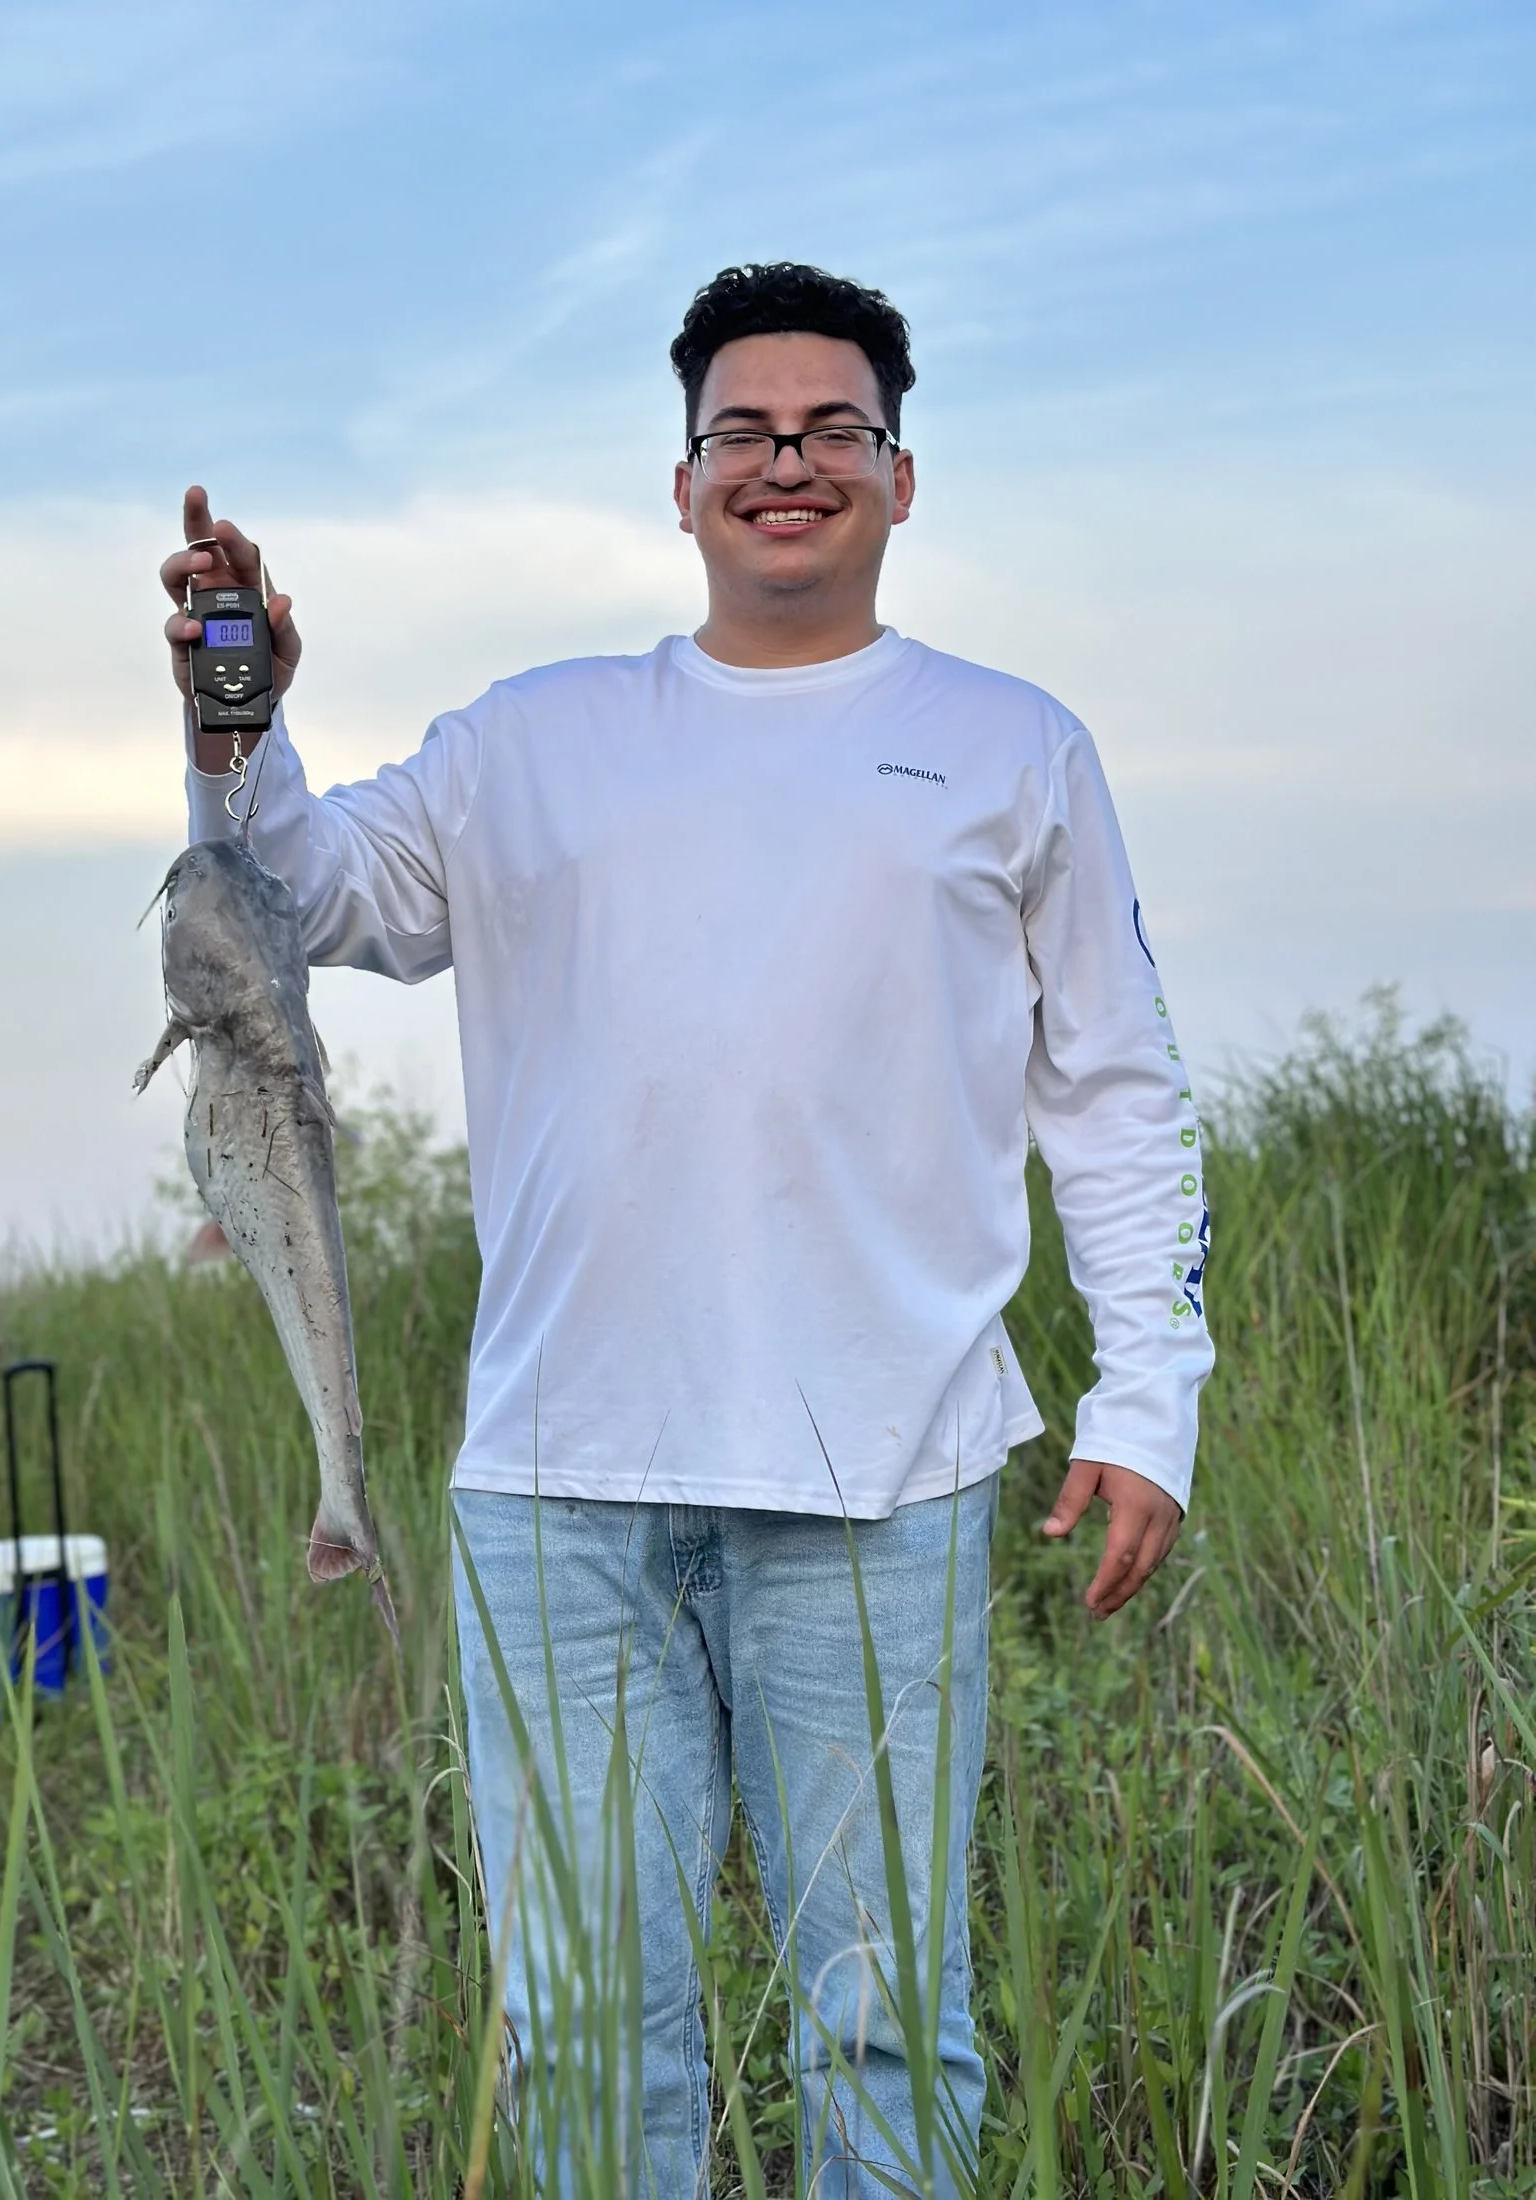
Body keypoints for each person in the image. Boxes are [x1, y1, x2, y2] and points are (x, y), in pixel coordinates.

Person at [160, 261, 1213, 2199]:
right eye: (746, 429)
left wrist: (1151, 1393)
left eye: (833, 429)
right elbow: (292, 903)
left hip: (883, 1476)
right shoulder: (535, 735)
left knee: (891, 2010)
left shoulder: (1012, 742)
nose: (787, 462)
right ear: (683, 477)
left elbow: (1117, 1085)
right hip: (559, 1488)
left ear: (901, 473)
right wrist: (239, 713)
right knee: (576, 2017)